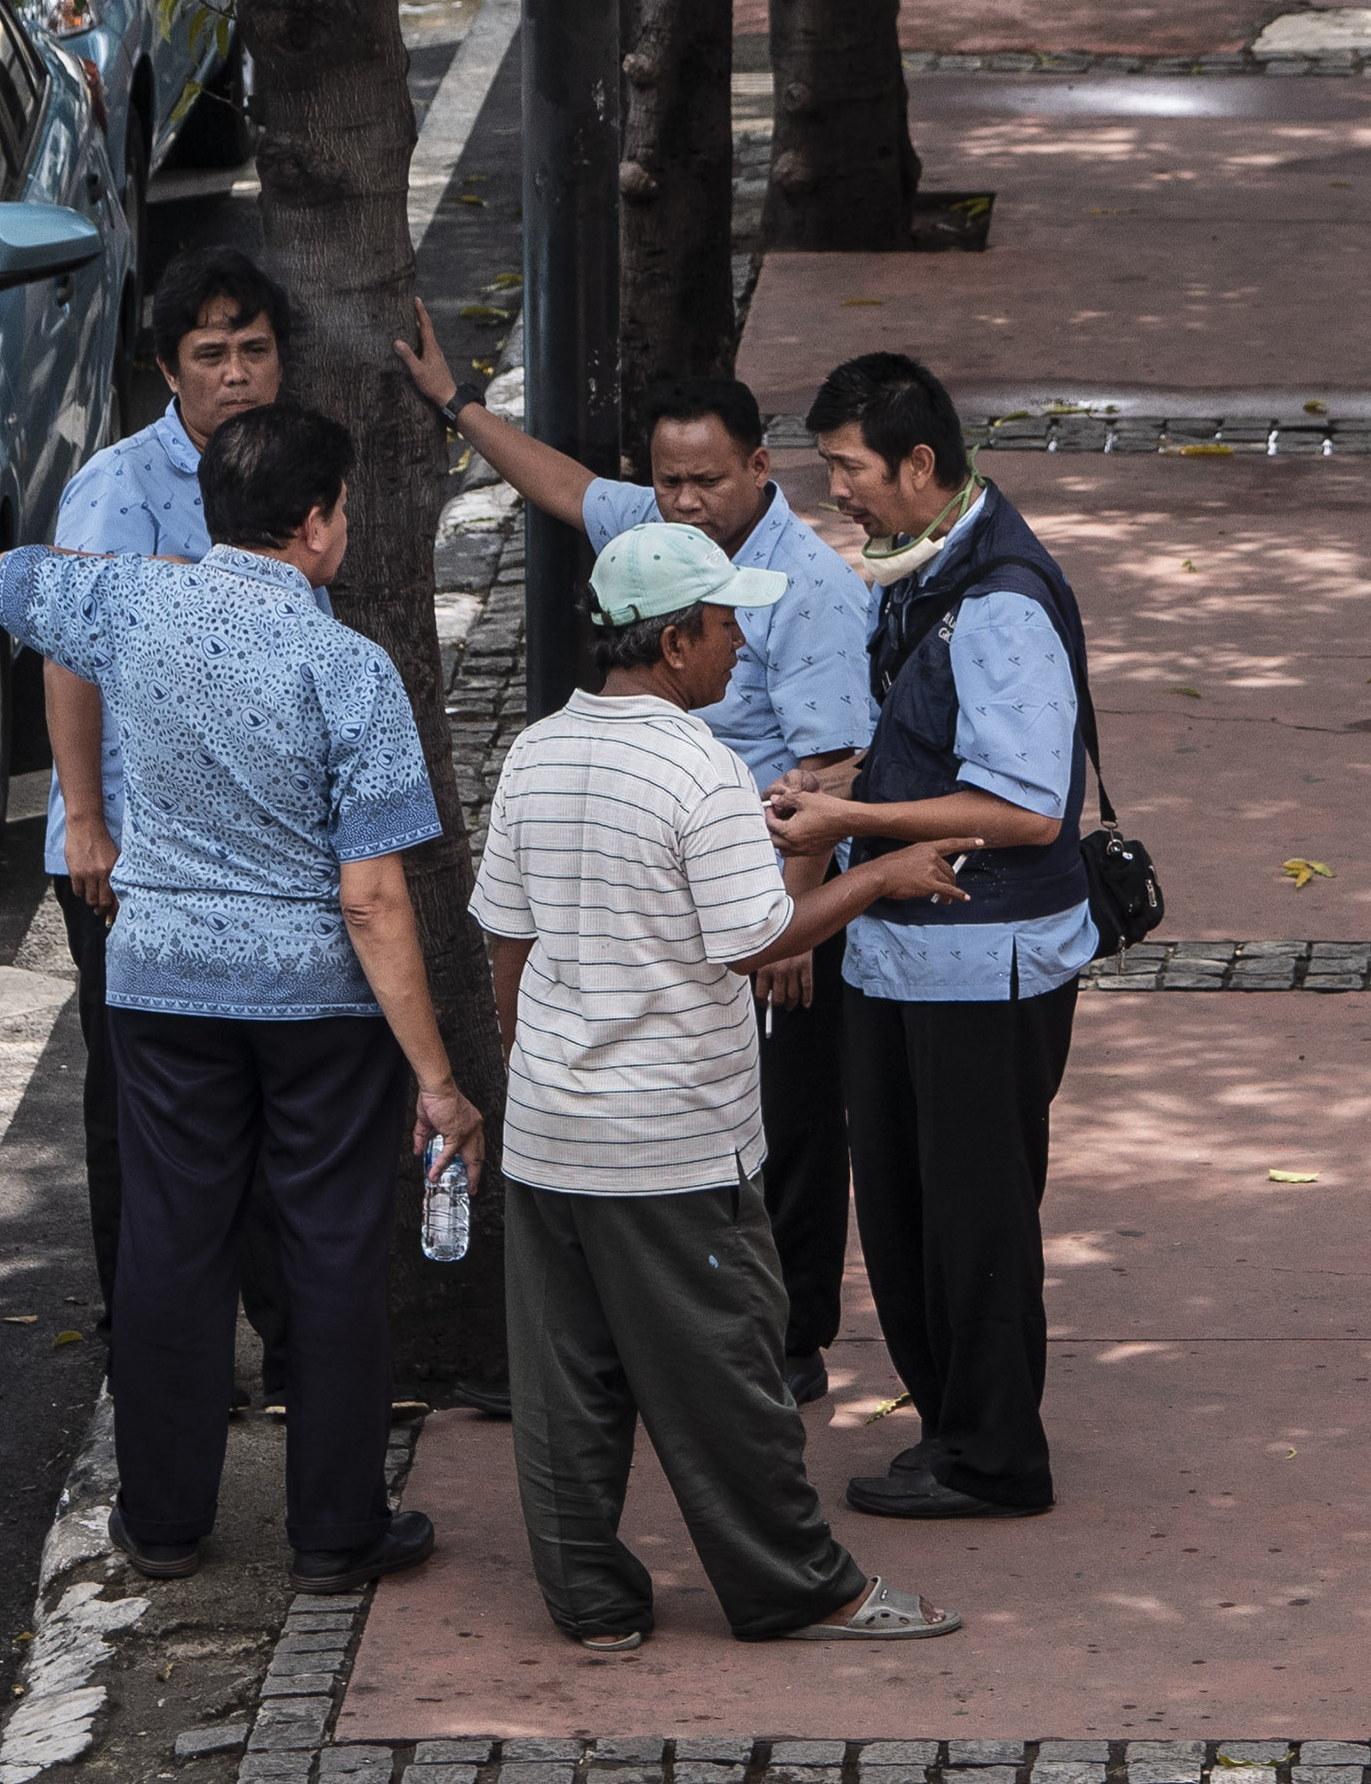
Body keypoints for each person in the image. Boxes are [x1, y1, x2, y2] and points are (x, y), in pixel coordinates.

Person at [0, 403, 484, 1592]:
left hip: (159, 986)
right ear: (313, 525)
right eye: (340, 509)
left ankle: (161, 1522)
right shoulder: (350, 670)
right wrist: (437, 1079)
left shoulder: (132, 608)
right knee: (333, 1250)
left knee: (171, 1244)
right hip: (315, 1008)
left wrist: (142, 576)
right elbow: (373, 901)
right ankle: (335, 1532)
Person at [472, 521, 981, 1652]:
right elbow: (758, 939)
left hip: (552, 1132)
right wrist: (883, 874)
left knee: (567, 1391)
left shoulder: (538, 750)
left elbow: (509, 940)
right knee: (734, 1378)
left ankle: (593, 1606)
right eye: (723, 624)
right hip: (670, 1141)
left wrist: (533, 1065)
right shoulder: (697, 764)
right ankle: (800, 1589)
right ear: (674, 640)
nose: (740, 645)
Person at [391, 314, 876, 1403]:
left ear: (759, 468)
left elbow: (833, 763)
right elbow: (563, 488)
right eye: (667, 482)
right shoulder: (658, 543)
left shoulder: (808, 595)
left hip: (767, 875)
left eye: (706, 480)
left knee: (784, 1125)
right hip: (661, 873)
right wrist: (457, 404)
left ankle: (781, 1338)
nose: (685, 501)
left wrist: (797, 917)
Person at [764, 355, 1096, 1523]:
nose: (837, 493)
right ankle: (953, 1431)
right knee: (905, 1209)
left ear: (918, 464)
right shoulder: (928, 571)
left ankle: (995, 1454)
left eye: (847, 469)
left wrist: (851, 815)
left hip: (981, 965)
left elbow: (1023, 808)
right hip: (911, 958)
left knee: (972, 1218)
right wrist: (858, 778)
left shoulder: (998, 603)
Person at [36, 246, 297, 1397]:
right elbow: (70, 657)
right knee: (144, 1110)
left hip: (250, 850)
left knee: (256, 1104)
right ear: (167, 370)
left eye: (254, 349)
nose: (236, 372)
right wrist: (90, 823)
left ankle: (274, 1345)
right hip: (135, 851)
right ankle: (149, 1345)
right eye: (211, 354)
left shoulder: (283, 473)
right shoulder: (120, 488)